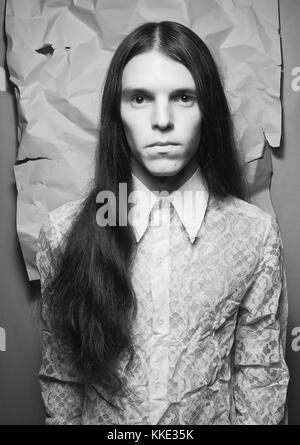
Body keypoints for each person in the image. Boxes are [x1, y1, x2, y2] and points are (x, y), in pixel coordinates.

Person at [36, 21, 289, 425]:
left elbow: (260, 380)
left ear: (209, 110)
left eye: (184, 97)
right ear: (116, 114)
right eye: (139, 98)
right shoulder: (64, 233)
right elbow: (63, 379)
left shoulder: (253, 236)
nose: (162, 120)